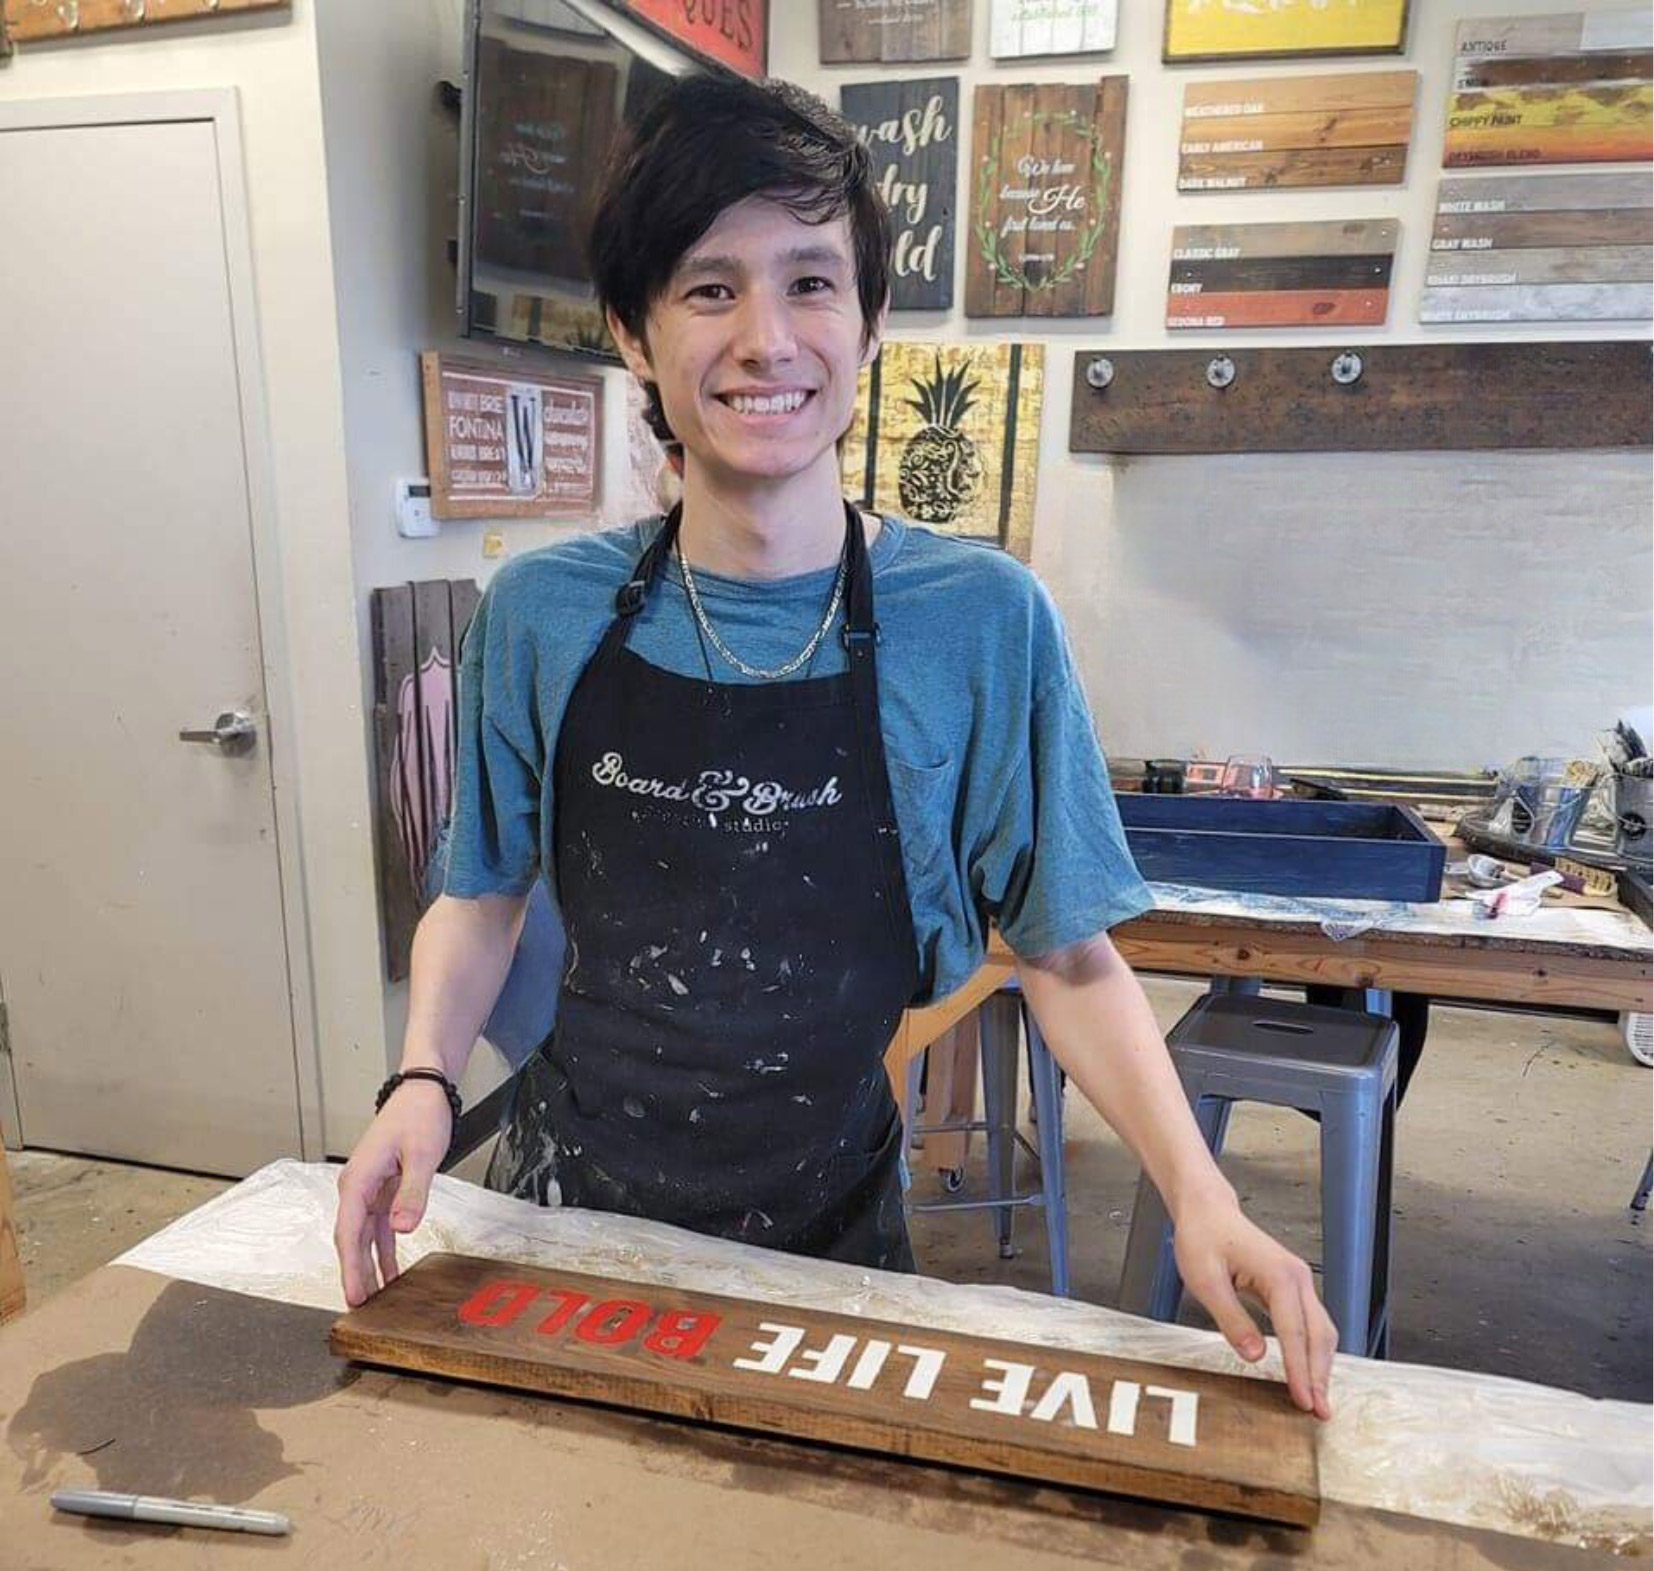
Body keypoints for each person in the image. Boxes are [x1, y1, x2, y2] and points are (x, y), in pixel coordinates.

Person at [335, 74, 1336, 1419]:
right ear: (634, 336)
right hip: (564, 1222)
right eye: (707, 290)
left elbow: (1064, 953)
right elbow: (481, 891)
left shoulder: (979, 621)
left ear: (866, 324)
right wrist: (419, 1080)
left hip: (838, 1254)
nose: (765, 339)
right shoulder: (541, 611)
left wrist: (1201, 1196)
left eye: (809, 283)